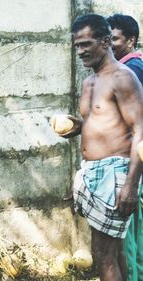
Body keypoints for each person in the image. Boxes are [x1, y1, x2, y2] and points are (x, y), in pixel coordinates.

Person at [58, 14, 143, 281]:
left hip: (116, 173)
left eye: (86, 44)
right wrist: (79, 126)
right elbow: (103, 122)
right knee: (114, 253)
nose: (81, 52)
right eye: (77, 46)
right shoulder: (89, 82)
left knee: (103, 254)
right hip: (92, 171)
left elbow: (141, 131)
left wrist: (130, 185)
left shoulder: (123, 78)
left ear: (106, 41)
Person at [107, 13, 143, 281]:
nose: (109, 45)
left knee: (130, 235)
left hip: (134, 162)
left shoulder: (131, 71)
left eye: (114, 39)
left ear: (131, 40)